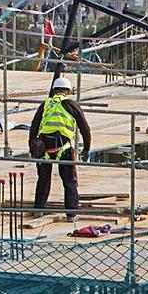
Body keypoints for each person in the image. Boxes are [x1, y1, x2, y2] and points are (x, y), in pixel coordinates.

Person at [29, 76, 92, 221]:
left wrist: (32, 147)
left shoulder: (46, 104)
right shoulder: (71, 105)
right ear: (68, 91)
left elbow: (34, 127)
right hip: (64, 148)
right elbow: (85, 129)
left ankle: (39, 209)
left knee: (43, 179)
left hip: (44, 148)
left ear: (54, 90)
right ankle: (71, 213)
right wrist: (86, 149)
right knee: (69, 180)